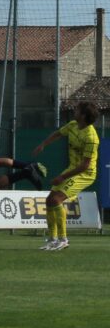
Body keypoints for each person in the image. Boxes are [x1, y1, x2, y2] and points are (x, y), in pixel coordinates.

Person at [33, 101, 99, 251]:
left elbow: (85, 165)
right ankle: (52, 239)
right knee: (50, 200)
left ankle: (63, 239)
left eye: (77, 109)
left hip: (85, 174)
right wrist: (43, 144)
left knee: (56, 199)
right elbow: (58, 133)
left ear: (83, 115)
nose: (74, 111)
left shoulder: (91, 137)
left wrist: (62, 177)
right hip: (72, 168)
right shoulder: (73, 124)